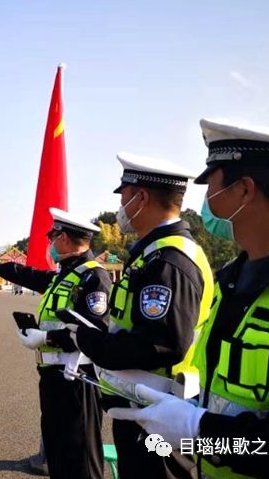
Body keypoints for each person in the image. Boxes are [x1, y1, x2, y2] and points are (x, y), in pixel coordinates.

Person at [108, 119, 269, 478]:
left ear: (244, 191)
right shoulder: (234, 276)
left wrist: (204, 432)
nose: (204, 201)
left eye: (211, 186)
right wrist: (190, 415)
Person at [52, 152, 214, 479]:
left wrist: (87, 339)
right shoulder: (152, 254)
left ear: (141, 198)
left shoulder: (169, 261)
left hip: (159, 411)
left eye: (123, 198)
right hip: (140, 405)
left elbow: (160, 343)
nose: (120, 208)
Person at [0, 208, 113, 479]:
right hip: (52, 377)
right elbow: (28, 275)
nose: (50, 244)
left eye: (52, 237)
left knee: (80, 460)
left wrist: (46, 338)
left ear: (65, 239)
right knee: (57, 454)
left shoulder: (93, 277)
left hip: (76, 379)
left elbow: (95, 332)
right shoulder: (64, 274)